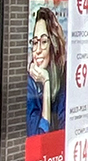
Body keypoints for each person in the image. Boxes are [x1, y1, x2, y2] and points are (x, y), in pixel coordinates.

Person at [27, 7, 67, 136]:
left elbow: (64, 129)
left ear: (53, 46)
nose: (37, 50)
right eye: (34, 42)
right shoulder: (29, 84)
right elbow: (39, 137)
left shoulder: (62, 78)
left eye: (43, 42)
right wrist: (46, 83)